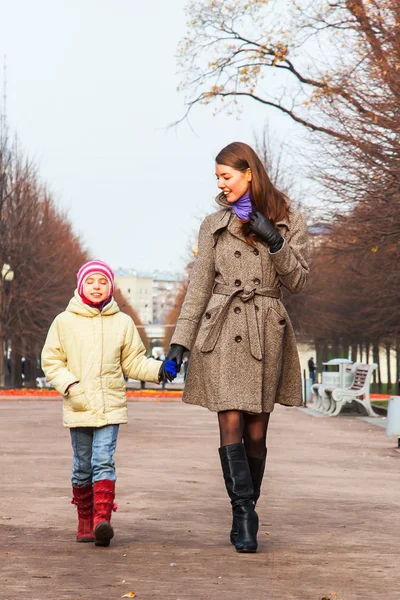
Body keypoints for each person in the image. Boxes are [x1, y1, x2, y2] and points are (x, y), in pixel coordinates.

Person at [166, 142, 309, 553]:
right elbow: (198, 287)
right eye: (217, 178)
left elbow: (298, 281)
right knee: (230, 418)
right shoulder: (213, 224)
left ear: (249, 173)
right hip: (223, 327)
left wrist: (274, 240)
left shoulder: (289, 220)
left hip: (266, 326)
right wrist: (180, 343)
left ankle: (248, 505)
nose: (221, 185)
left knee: (257, 432)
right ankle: (243, 513)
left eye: (226, 176)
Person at [41, 260, 176, 547]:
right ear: (80, 286)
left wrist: (159, 370)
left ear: (111, 286)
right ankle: (84, 520)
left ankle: (102, 520)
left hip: (110, 405)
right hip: (78, 405)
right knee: (82, 467)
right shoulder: (64, 322)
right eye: (91, 281)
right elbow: (51, 361)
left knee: (103, 461)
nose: (97, 287)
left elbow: (133, 362)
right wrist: (70, 387)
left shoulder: (123, 323)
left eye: (102, 281)